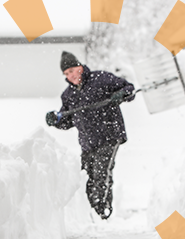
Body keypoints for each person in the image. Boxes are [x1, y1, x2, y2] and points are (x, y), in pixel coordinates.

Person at [46, 51, 135, 219]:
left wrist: (121, 94)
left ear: (80, 67)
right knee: (87, 175)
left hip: (109, 135)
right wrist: (55, 120)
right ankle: (90, 213)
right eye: (66, 73)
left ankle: (103, 210)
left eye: (72, 71)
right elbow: (67, 120)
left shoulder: (101, 79)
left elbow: (129, 88)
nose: (70, 76)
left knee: (102, 172)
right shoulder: (68, 95)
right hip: (88, 142)